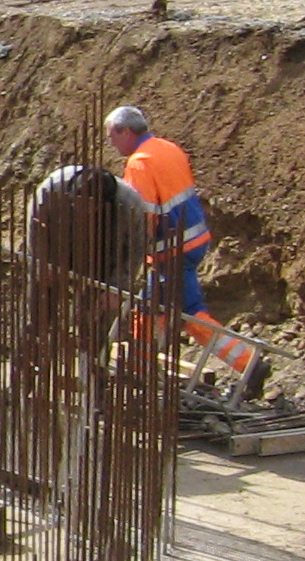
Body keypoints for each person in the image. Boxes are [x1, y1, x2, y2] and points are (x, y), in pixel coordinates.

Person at [102, 105, 265, 397]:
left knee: (190, 314)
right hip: (192, 240)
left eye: (112, 136)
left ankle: (249, 363)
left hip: (172, 250)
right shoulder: (165, 147)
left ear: (126, 131)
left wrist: (126, 257)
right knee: (150, 308)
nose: (111, 143)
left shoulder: (139, 163)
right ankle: (140, 368)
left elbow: (143, 217)